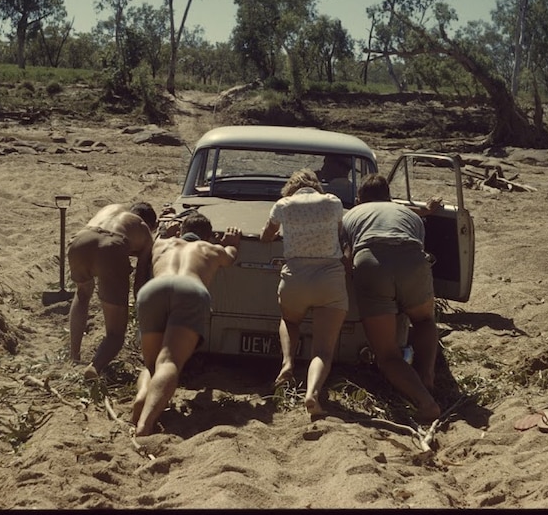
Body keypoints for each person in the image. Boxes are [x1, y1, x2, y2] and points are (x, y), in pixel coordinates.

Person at [341, 173, 443, 421]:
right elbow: (418, 245)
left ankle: (424, 401)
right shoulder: (407, 214)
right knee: (424, 320)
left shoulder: (350, 215)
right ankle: (426, 376)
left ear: (359, 198)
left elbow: (346, 257)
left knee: (387, 355)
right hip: (412, 259)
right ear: (388, 196)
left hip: (371, 260)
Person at [130, 211, 241, 436]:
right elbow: (230, 256)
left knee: (151, 363)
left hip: (153, 290)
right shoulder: (211, 249)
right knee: (169, 360)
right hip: (190, 290)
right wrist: (231, 243)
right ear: (208, 236)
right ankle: (145, 425)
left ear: (181, 231)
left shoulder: (161, 243)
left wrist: (165, 231)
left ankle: (141, 400)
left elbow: (149, 246)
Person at [260, 169, 348, 417]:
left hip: (295, 277)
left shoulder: (283, 205)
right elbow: (339, 234)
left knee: (290, 320)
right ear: (316, 186)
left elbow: (266, 236)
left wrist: (277, 234)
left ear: (290, 188)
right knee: (323, 350)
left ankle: (288, 362)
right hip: (329, 278)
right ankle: (312, 394)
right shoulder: (332, 202)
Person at [66, 202, 157, 378]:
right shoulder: (144, 230)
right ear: (151, 224)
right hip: (111, 247)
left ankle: (74, 356)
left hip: (81, 239)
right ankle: (94, 367)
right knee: (115, 334)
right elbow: (139, 281)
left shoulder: (113, 209)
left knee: (82, 294)